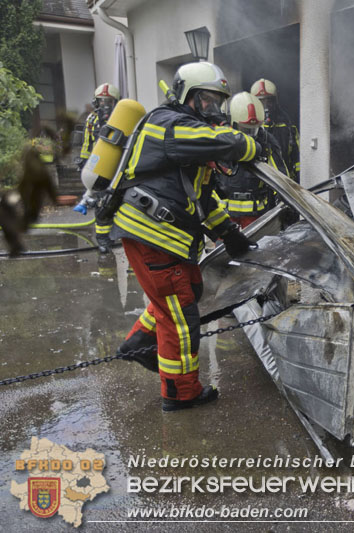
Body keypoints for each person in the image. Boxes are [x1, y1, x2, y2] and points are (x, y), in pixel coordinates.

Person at [110, 62, 260, 412]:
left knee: (187, 292)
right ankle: (180, 394)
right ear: (186, 97)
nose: (214, 110)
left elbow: (202, 199)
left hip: (164, 238)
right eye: (207, 100)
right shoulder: (169, 125)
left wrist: (229, 233)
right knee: (181, 321)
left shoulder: (184, 140)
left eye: (218, 102)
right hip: (153, 236)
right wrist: (246, 143)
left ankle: (140, 344)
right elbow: (222, 141)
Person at [216, 91, 289, 228]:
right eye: (245, 130)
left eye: (253, 130)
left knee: (256, 248)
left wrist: (282, 203)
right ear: (232, 123)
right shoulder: (221, 140)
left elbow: (279, 176)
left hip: (255, 214)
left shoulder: (266, 142)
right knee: (224, 249)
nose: (250, 136)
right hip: (224, 215)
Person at [74, 83, 120, 253]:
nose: (105, 105)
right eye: (102, 101)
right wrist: (84, 162)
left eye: (109, 101)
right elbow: (87, 143)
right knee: (101, 203)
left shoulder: (121, 118)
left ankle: (123, 236)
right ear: (96, 102)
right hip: (99, 166)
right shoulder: (92, 119)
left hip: (119, 166)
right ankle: (103, 239)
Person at [250, 79, 300, 182]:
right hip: (258, 184)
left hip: (283, 183)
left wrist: (297, 181)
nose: (266, 105)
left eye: (269, 100)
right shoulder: (247, 129)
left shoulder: (287, 127)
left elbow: (296, 158)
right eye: (261, 101)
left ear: (275, 101)